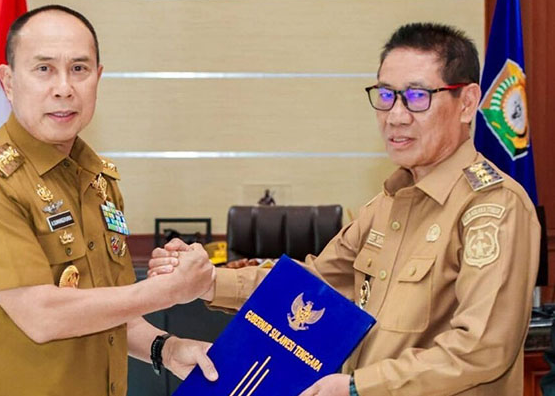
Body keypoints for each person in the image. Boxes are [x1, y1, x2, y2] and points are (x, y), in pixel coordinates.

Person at [149, 22, 540, 395]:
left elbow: (481, 349)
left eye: (418, 97)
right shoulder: (387, 205)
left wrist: (358, 387)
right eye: (386, 95)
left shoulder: (494, 207)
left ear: (466, 102)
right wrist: (208, 281)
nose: (396, 115)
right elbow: (314, 286)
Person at [0, 4, 218, 396]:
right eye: (44, 69)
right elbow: (42, 316)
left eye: (79, 69)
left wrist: (167, 349)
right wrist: (169, 290)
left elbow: (112, 310)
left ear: (98, 78)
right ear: (8, 81)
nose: (64, 88)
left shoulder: (98, 179)